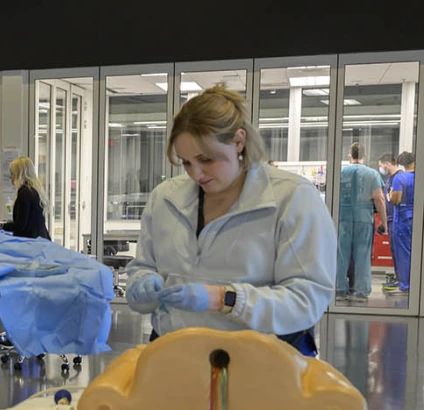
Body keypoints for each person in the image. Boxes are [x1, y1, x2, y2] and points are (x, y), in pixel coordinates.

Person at [125, 85, 335, 357]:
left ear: (238, 141)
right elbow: (142, 266)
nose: (196, 174)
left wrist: (225, 299)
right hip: (175, 356)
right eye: (186, 162)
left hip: (261, 364)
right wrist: (142, 284)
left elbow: (306, 300)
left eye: (206, 159)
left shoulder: (291, 198)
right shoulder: (165, 198)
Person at [336, 143, 387, 302]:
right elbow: (379, 198)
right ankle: (361, 292)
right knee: (363, 255)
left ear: (349, 155)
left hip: (342, 217)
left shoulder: (340, 173)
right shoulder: (372, 174)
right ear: (365, 156)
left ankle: (339, 290)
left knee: (340, 254)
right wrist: (384, 222)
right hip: (364, 217)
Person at [389, 151, 415, 294]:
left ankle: (405, 285)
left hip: (403, 220)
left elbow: (396, 200)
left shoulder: (400, 179)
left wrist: (390, 194)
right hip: (416, 219)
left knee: (404, 253)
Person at [379, 152, 402, 292]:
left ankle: (403, 281)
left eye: (381, 165)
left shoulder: (399, 178)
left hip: (398, 219)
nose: (381, 168)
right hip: (390, 219)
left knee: (399, 252)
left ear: (388, 163)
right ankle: (400, 278)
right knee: (394, 251)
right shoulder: (389, 178)